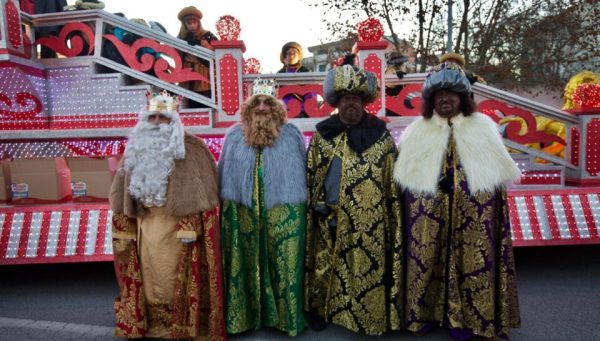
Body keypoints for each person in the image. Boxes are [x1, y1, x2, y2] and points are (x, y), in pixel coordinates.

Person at [393, 61, 521, 339]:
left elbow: (494, 184)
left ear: (462, 98)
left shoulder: (483, 128)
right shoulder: (417, 131)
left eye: (451, 94)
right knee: (425, 259)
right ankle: (424, 314)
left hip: (473, 215)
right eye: (439, 95)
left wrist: (461, 184)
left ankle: (473, 317)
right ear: (430, 100)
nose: (445, 99)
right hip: (428, 213)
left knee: (474, 262)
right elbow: (406, 180)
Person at [109, 90, 226, 340]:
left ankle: (180, 322)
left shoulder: (194, 148)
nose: (157, 123)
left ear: (175, 120)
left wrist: (191, 224)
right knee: (150, 279)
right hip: (145, 228)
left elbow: (205, 191)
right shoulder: (135, 149)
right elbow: (121, 193)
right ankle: (152, 322)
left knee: (174, 278)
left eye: (164, 118)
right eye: (153, 118)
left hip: (179, 231)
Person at [304, 64, 403, 335]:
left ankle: (367, 316)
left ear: (363, 103)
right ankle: (323, 311)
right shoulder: (323, 135)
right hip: (330, 214)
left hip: (369, 219)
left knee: (364, 269)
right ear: (337, 103)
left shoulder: (380, 136)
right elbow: (312, 174)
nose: (351, 104)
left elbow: (391, 179)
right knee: (327, 268)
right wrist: (318, 203)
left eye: (356, 100)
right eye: (346, 99)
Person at [218, 79, 308, 336]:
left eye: (266, 102)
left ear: (276, 106)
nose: (261, 106)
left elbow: (303, 170)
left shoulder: (292, 135)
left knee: (285, 266)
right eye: (256, 102)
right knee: (243, 264)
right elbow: (223, 171)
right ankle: (244, 317)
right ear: (248, 107)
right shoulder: (234, 135)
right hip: (241, 209)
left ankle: (286, 318)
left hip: (284, 209)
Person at [177, 6, 218, 96]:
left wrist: (205, 46)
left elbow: (217, 52)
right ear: (185, 25)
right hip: (186, 72)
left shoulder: (207, 35)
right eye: (189, 23)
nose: (192, 26)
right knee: (188, 100)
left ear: (198, 23)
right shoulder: (181, 38)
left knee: (204, 98)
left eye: (194, 22)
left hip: (203, 71)